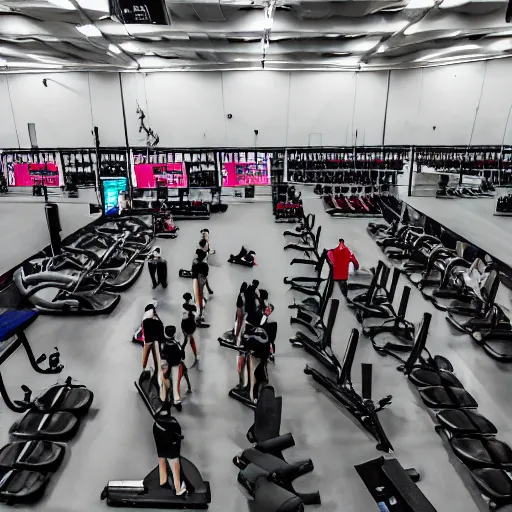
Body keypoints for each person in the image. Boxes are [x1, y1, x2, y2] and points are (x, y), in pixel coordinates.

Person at [159, 326, 191, 410]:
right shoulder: (177, 344)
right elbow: (182, 356)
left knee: (163, 379)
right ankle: (177, 401)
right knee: (176, 383)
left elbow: (162, 354)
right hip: (175, 365)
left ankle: (163, 398)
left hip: (166, 364)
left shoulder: (163, 343)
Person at [153, 416, 187, 495]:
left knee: (162, 456)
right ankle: (178, 489)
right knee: (173, 459)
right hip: (166, 427)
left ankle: (163, 482)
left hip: (158, 426)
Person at [142, 305, 165, 371]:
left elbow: (145, 336)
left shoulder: (145, 321)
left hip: (149, 342)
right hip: (158, 342)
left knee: (146, 349)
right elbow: (161, 336)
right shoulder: (158, 322)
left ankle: (143, 368)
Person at [181, 293, 199, 366]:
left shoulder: (183, 306)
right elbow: (196, 316)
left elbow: (183, 317)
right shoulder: (193, 307)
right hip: (191, 325)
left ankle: (182, 352)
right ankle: (195, 355)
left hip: (184, 325)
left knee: (186, 340)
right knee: (190, 340)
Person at [191, 249, 209, 325]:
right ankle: (200, 314)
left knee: (197, 296)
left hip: (195, 280)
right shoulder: (205, 265)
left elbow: (192, 272)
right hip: (201, 281)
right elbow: (206, 275)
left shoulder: (194, 261)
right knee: (201, 296)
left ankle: (199, 313)